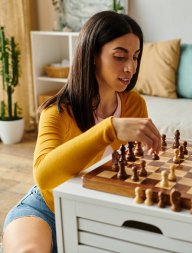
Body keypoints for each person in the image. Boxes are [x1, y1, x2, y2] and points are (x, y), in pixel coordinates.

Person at [2, 11, 161, 253]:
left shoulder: (134, 104)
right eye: (120, 56)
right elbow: (44, 176)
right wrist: (110, 128)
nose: (130, 67)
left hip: (101, 213)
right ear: (93, 55)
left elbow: (134, 168)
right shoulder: (56, 111)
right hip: (48, 208)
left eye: (136, 57)